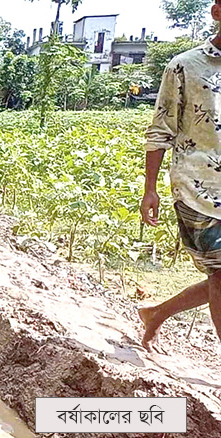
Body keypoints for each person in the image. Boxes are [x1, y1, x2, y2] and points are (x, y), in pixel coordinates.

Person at [139, 1, 221, 353]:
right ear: (217, 11)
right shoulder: (185, 66)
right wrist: (150, 190)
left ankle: (156, 313)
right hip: (198, 187)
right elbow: (160, 130)